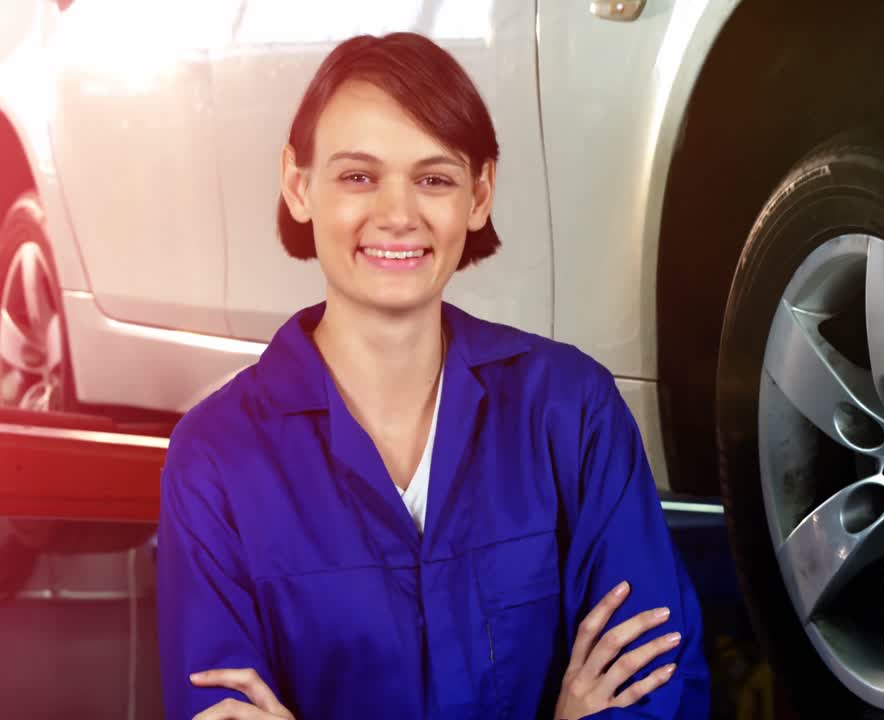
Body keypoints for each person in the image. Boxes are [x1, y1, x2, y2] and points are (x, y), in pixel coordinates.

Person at [156, 32, 708, 719]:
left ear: (479, 195)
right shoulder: (217, 459)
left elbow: (652, 689)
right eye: (358, 176)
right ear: (299, 186)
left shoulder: (571, 414)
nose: (397, 214)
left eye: (434, 178)